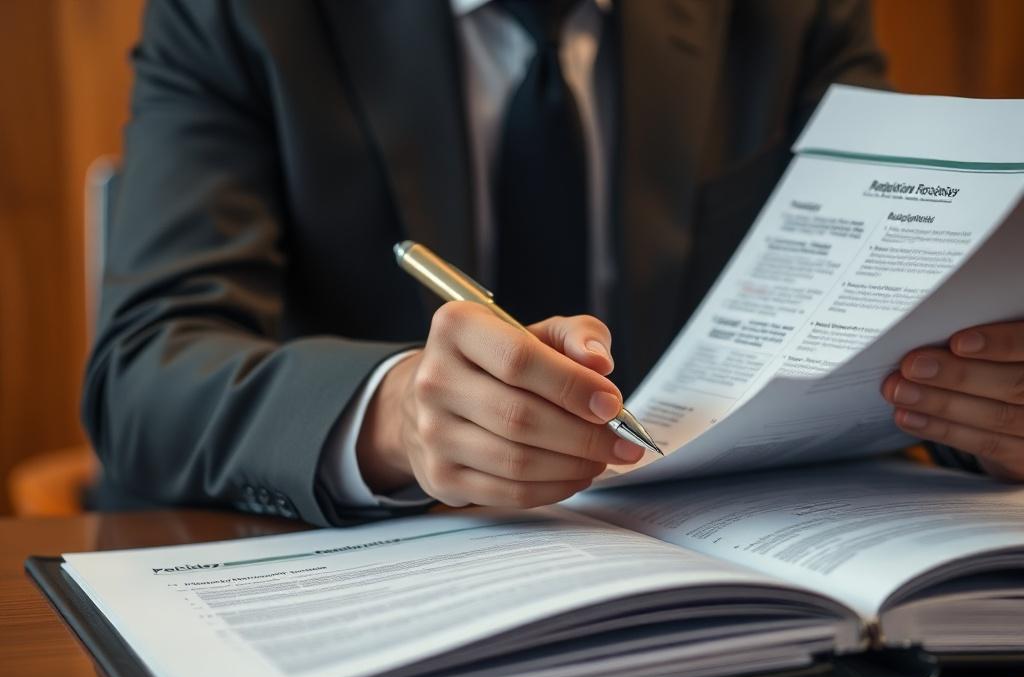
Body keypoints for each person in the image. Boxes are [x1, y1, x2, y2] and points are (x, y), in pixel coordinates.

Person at [83, 0, 1024, 527]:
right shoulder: (238, 16)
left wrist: (982, 406)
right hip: (363, 585)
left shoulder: (787, 17)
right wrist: (396, 418)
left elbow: (892, 298)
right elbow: (145, 368)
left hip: (714, 577)